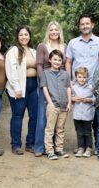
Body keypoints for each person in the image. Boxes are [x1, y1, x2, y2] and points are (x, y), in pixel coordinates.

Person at [66, 14, 99, 153]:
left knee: (96, 116)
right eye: (82, 24)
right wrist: (69, 81)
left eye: (87, 23)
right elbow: (68, 62)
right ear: (79, 26)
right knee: (80, 115)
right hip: (78, 85)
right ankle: (81, 146)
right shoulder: (73, 43)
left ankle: (95, 145)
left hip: (95, 84)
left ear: (92, 25)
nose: (85, 26)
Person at [35, 21, 66, 157]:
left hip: (60, 84)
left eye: (56, 30)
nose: (54, 32)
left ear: (60, 32)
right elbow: (39, 65)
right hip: (46, 83)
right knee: (43, 116)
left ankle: (54, 148)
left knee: (58, 116)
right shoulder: (42, 46)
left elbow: (66, 66)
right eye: (51, 30)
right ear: (48, 32)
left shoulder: (64, 46)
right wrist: (43, 83)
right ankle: (40, 147)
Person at [5, 25, 38, 155]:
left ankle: (30, 144)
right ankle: (16, 145)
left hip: (34, 86)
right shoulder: (13, 50)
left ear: (29, 36)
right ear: (17, 37)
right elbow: (11, 70)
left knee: (34, 116)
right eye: (21, 35)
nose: (24, 37)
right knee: (18, 115)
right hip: (19, 87)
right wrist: (17, 88)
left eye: (26, 34)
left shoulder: (34, 51)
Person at [41, 50, 72, 160]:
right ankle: (49, 150)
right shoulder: (45, 73)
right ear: (50, 60)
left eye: (59, 60)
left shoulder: (65, 74)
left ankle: (59, 149)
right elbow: (44, 88)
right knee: (50, 128)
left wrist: (69, 102)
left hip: (64, 105)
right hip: (52, 104)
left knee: (60, 128)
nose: (57, 62)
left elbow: (68, 88)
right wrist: (49, 102)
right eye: (55, 59)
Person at [72, 67, 95, 158]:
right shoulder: (73, 87)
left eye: (84, 77)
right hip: (77, 115)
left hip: (87, 115)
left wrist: (88, 100)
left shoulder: (91, 88)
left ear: (87, 78)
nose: (82, 79)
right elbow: (70, 97)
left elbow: (95, 99)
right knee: (79, 132)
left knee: (87, 132)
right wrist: (74, 99)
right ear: (76, 77)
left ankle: (88, 148)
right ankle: (81, 147)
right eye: (80, 77)